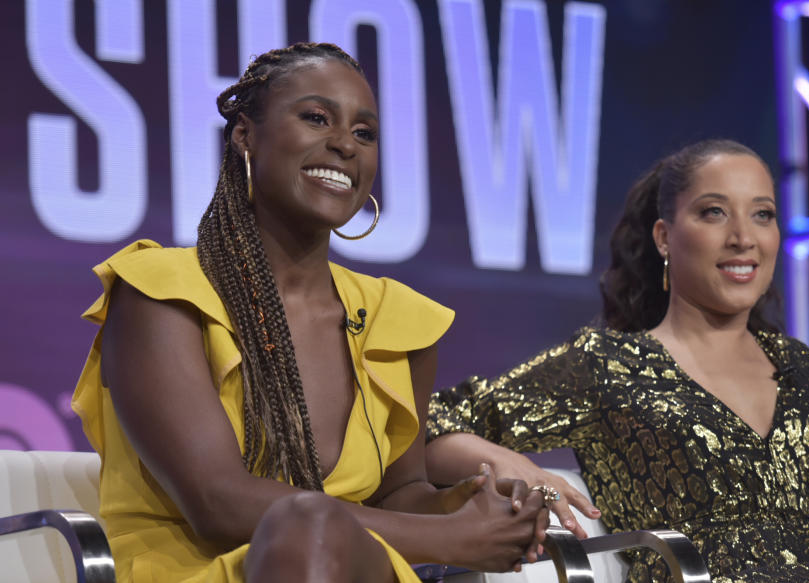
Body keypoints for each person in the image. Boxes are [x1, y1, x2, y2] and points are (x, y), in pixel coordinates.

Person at [72, 42, 549, 583]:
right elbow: (216, 502)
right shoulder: (160, 291)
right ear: (246, 136)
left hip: (354, 568)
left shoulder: (397, 319)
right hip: (189, 572)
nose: (344, 143)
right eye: (317, 118)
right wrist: (453, 540)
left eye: (364, 133)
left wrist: (464, 506)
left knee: (318, 529)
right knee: (307, 524)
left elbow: (398, 494)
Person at [425, 139, 809, 582]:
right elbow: (426, 424)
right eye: (714, 212)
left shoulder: (799, 366)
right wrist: (512, 463)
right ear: (665, 237)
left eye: (763, 215)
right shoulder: (610, 364)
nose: (743, 238)